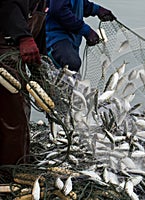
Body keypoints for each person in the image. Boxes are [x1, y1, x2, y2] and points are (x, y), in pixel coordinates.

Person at [0, 0, 43, 165]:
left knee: (20, 109)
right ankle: (11, 168)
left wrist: (39, 72)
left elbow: (39, 29)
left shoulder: (44, 2)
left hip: (16, 57)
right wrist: (23, 36)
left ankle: (17, 161)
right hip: (4, 51)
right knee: (11, 113)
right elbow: (7, 5)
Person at [46, 0, 116, 72]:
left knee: (72, 72)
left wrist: (97, 9)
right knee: (71, 64)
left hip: (71, 39)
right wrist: (86, 31)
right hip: (55, 38)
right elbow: (58, 10)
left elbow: (75, 3)